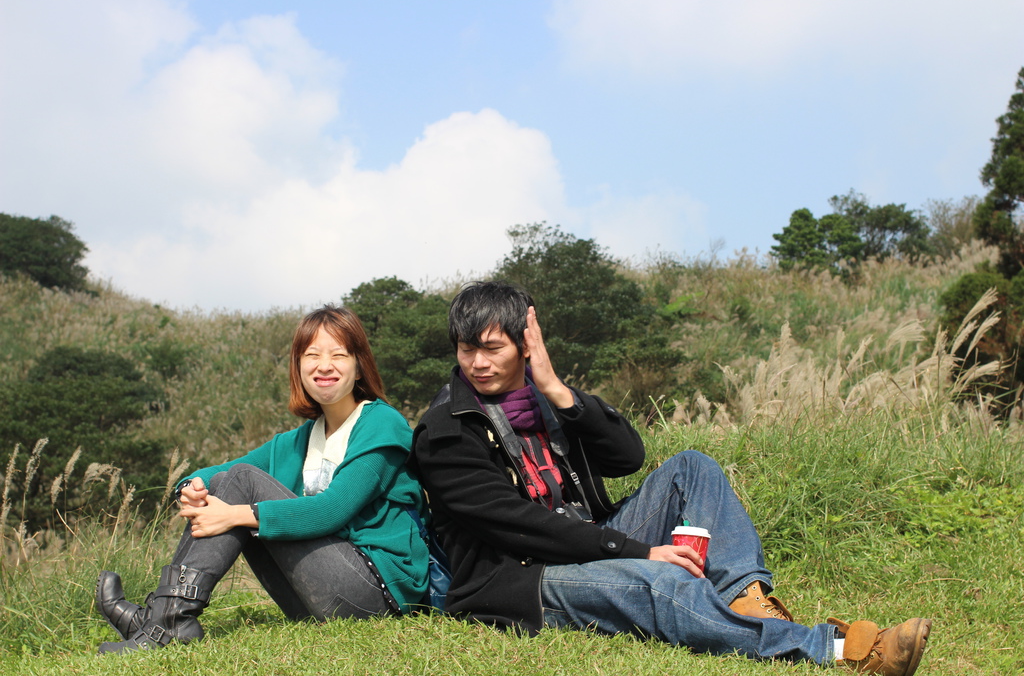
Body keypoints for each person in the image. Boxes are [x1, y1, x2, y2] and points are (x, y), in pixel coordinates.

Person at [411, 281, 932, 675]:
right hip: (517, 576)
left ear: (526, 345)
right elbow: (519, 525)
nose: (477, 363)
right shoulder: (444, 431)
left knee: (692, 467)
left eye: (492, 348)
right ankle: (837, 647)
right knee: (660, 582)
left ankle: (745, 598)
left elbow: (628, 457)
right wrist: (640, 552)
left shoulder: (544, 401)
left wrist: (558, 390)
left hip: (584, 536)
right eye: (465, 349)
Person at [95, 305, 428, 654]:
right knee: (228, 478)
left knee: (242, 481)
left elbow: (332, 510)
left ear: (359, 366)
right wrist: (189, 488)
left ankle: (165, 622)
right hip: (318, 598)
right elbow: (218, 473)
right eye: (311, 355)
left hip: (377, 594)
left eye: (338, 355)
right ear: (299, 367)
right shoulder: (301, 440)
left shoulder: (381, 424)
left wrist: (236, 515)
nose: (324, 365)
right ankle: (164, 617)